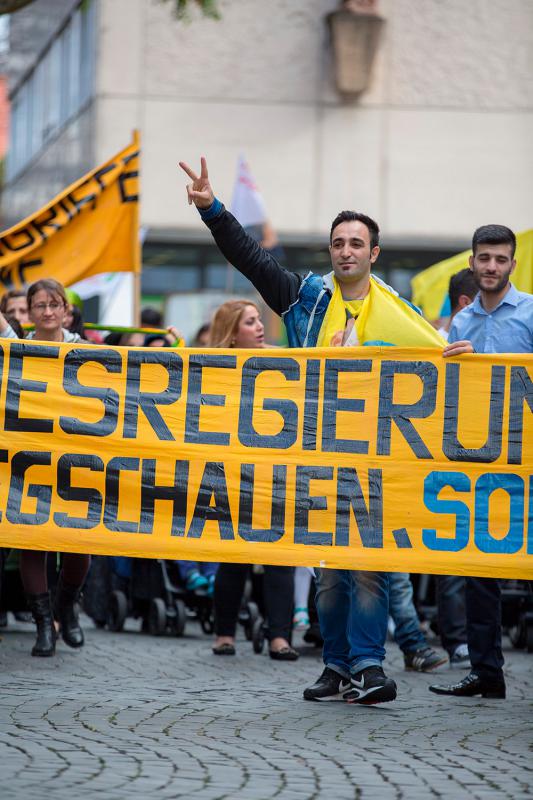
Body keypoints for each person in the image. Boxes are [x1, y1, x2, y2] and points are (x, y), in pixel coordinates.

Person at [179, 157, 439, 702]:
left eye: (355, 243)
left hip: (374, 463)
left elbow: (438, 365)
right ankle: (339, 666)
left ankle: (369, 665)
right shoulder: (304, 299)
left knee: (366, 569)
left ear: (374, 253)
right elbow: (251, 259)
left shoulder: (401, 315)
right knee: (327, 576)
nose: (345, 250)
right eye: (337, 242)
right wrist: (212, 210)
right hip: (315, 459)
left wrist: (457, 361)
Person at [430, 224, 533, 699]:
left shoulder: (531, 312)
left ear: (512, 263)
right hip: (484, 462)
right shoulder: (462, 323)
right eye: (484, 258)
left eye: (500, 259)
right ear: (471, 262)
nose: (491, 266)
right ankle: (486, 670)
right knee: (480, 569)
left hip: (527, 460)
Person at [0, 278, 91, 657]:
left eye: (55, 304)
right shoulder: (16, 346)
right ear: (30, 310)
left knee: (79, 545)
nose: (48, 312)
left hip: (76, 460)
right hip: (29, 458)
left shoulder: (86, 351)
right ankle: (43, 628)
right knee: (33, 543)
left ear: (66, 310)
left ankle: (64, 608)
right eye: (40, 306)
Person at [208, 299, 297, 660]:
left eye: (259, 319)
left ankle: (280, 636)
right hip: (231, 475)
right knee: (233, 557)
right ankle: (224, 633)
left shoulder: (282, 360)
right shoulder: (214, 368)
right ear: (232, 335)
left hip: (275, 474)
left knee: (279, 554)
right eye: (250, 322)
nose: (260, 326)